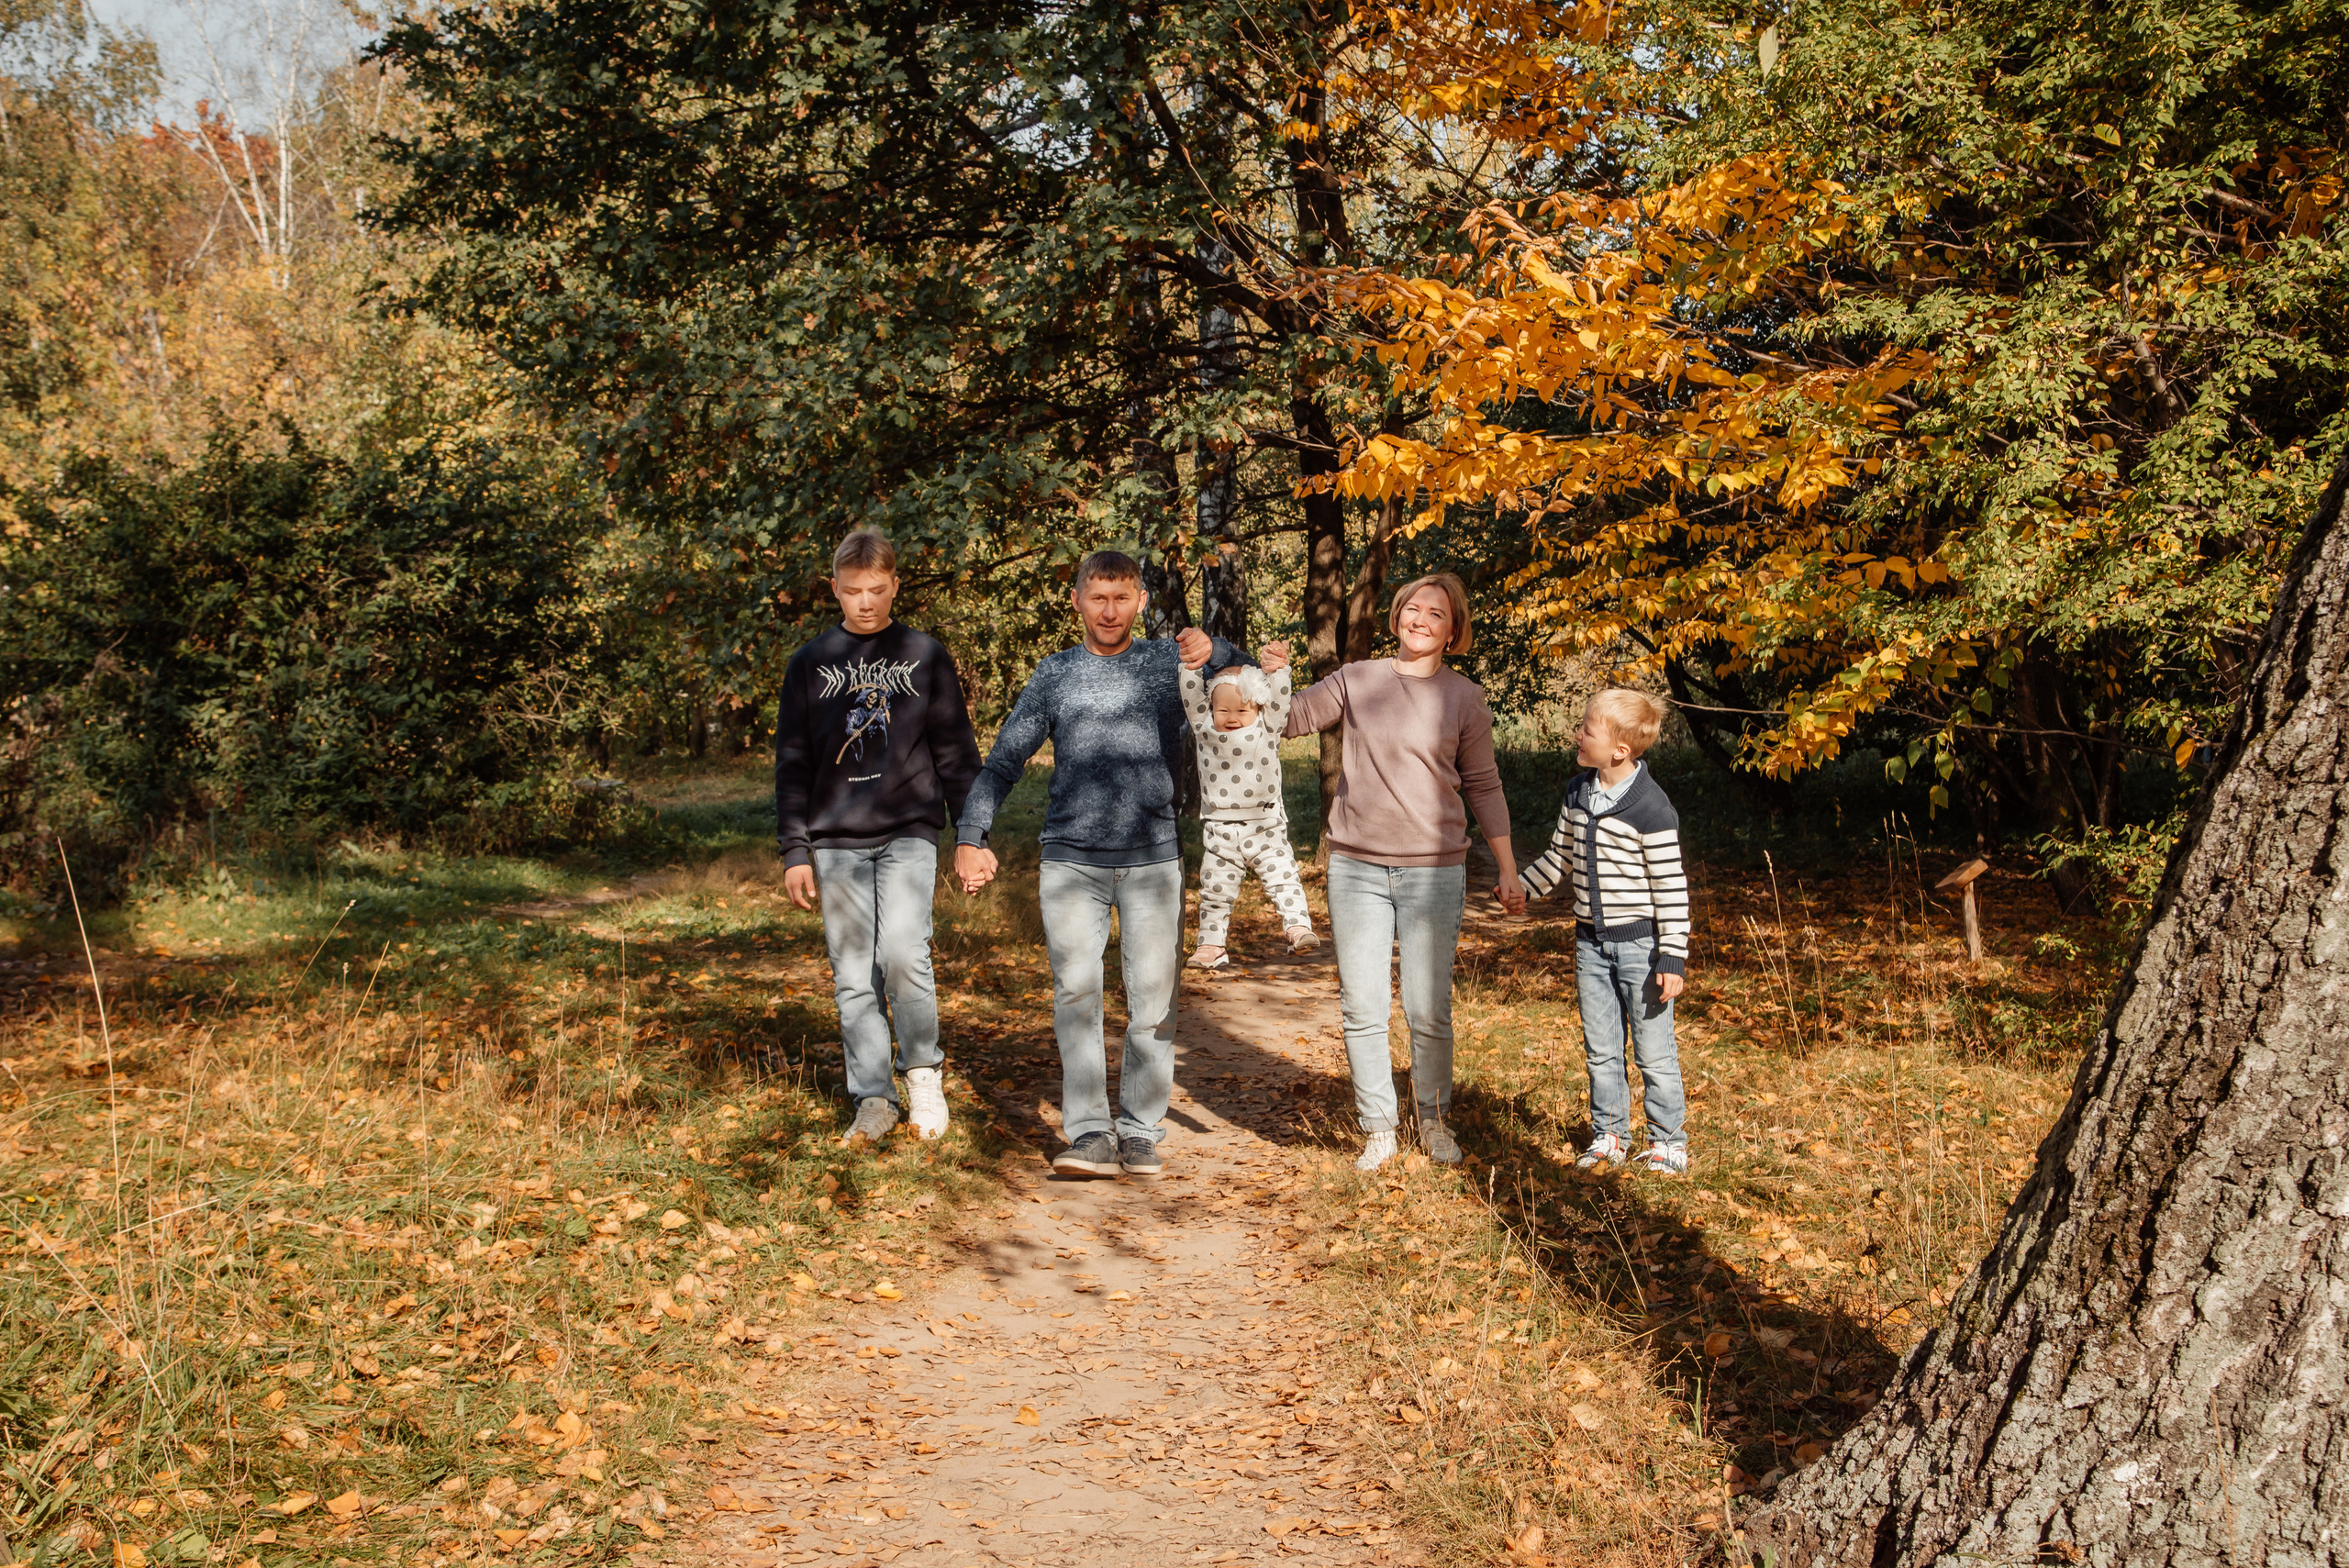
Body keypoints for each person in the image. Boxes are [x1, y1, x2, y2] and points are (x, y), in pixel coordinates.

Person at [952, 550, 1243, 1181]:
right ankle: (1088, 1133)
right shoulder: (1055, 673)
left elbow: (1241, 673)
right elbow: (1004, 759)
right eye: (1098, 597)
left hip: (1153, 859)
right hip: (1071, 863)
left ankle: (1139, 1131)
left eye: (1122, 597)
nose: (1109, 610)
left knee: (1152, 1005)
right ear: (1079, 601)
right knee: (1077, 996)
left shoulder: (1166, 662)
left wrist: (1210, 644)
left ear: (1141, 602)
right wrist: (972, 833)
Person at [1281, 573, 1524, 1173]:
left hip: (1433, 873)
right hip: (1356, 868)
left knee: (1427, 1007)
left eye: (1435, 613)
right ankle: (1380, 1128)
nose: (1420, 618)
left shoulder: (1463, 698)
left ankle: (1434, 1119)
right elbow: (1292, 718)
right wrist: (1253, 683)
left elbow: (1484, 785)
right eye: (1411, 608)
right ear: (1396, 617)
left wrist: (1509, 868)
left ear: (1453, 630)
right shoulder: (1358, 678)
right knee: (1362, 1005)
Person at [774, 529, 983, 1148]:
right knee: (852, 973)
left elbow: (956, 752)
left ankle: (922, 1074)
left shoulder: (924, 655)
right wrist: (795, 849)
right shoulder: (810, 663)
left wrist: (971, 834)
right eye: (852, 590)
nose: (865, 602)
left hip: (908, 832)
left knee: (902, 952)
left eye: (877, 589)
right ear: (833, 587)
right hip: (835, 839)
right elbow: (793, 761)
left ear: (895, 584)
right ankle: (872, 1097)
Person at [1518, 687, 1692, 1175]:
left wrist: (1672, 957)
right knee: (1601, 1047)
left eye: (1587, 729)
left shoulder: (1652, 810)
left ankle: (1668, 1140)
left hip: (1642, 947)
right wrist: (1521, 889)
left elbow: (1671, 889)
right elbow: (1560, 857)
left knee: (1654, 1050)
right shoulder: (1578, 792)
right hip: (1590, 944)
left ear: (1620, 749)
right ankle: (1611, 1133)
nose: (1578, 734)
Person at [1179, 656, 1316, 968]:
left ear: (1257, 709)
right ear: (1210, 709)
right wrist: (1189, 664)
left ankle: (1297, 927)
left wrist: (1280, 669)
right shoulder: (1204, 728)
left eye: (1242, 710)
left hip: (1264, 823)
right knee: (1215, 889)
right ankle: (1211, 946)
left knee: (1283, 878)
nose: (1232, 717)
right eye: (1223, 710)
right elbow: (1190, 693)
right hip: (1220, 827)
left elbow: (1280, 699)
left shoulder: (1268, 727)